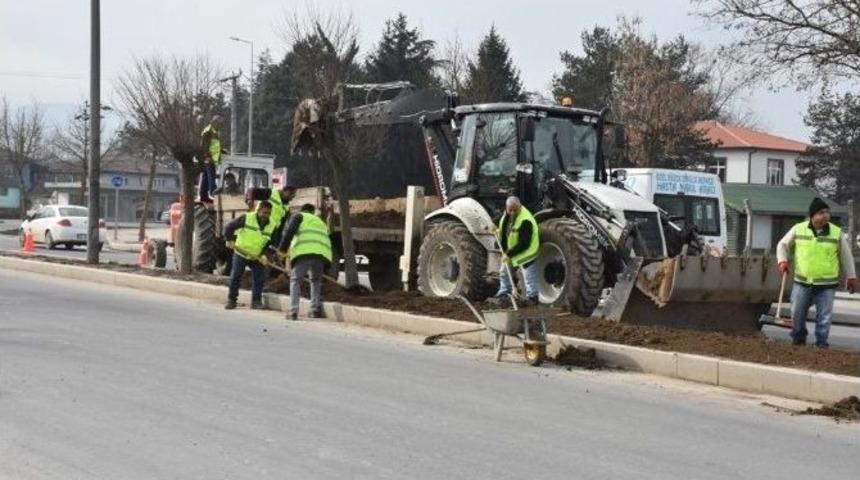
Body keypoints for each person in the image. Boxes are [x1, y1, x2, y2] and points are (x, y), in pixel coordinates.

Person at [776, 197, 857, 348]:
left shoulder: (836, 233)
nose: (825, 215)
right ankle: (799, 339)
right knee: (797, 313)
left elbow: (847, 257)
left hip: (827, 284)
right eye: (821, 212)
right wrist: (783, 261)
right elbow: (782, 244)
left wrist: (851, 276)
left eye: (827, 212)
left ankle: (821, 344)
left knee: (824, 317)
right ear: (812, 215)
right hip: (802, 281)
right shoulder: (798, 228)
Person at [277, 204, 333, 320]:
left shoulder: (299, 216)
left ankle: (293, 311)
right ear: (313, 212)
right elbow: (328, 233)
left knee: (296, 280)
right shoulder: (319, 222)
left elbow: (290, 232)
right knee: (316, 281)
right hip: (321, 254)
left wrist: (282, 250)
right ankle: (314, 310)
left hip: (304, 252)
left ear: (303, 210)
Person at [223, 200, 279, 310]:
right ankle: (232, 300)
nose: (265, 215)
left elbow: (272, 243)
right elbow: (229, 227)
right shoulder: (247, 218)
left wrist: (265, 255)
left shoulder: (272, 226)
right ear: (258, 211)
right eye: (264, 212)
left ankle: (256, 302)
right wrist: (229, 239)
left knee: (260, 278)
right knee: (236, 275)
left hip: (256, 255)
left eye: (268, 213)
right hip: (241, 253)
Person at [495, 196, 540, 306]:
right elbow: (504, 225)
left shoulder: (526, 220)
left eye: (515, 210)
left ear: (520, 207)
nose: (512, 213)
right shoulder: (507, 214)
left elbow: (524, 244)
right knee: (504, 272)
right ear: (506, 208)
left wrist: (508, 253)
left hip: (526, 253)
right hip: (511, 251)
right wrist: (494, 225)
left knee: (529, 277)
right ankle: (504, 294)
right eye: (510, 210)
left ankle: (533, 299)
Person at [200, 115, 226, 199]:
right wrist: (207, 156)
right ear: (214, 122)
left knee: (206, 176)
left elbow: (215, 145)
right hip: (209, 158)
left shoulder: (214, 132)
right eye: (219, 123)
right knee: (211, 175)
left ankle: (203, 194)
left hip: (212, 158)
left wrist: (222, 151)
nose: (220, 126)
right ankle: (213, 192)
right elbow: (204, 145)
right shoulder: (208, 131)